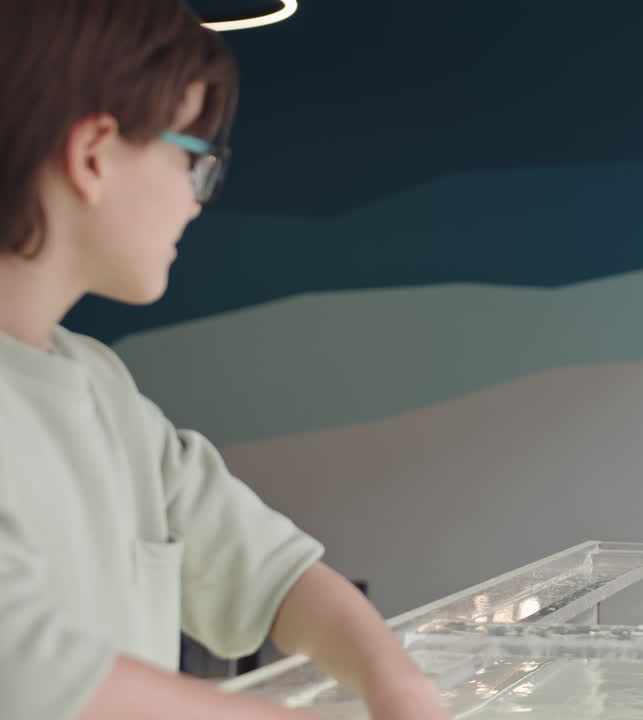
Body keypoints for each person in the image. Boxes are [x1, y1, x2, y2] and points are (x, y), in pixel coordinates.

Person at [0, 1, 452, 717]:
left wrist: (395, 684)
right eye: (193, 161)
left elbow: (270, 571)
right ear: (92, 156)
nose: (196, 201)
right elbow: (31, 676)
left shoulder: (104, 391)